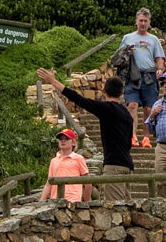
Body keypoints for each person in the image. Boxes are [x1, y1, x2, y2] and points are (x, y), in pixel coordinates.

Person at [36, 69, 134, 201]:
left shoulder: (105, 109)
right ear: (122, 92)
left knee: (115, 208)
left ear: (103, 90)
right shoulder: (127, 114)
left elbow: (78, 99)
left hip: (113, 165)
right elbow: (129, 143)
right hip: (127, 165)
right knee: (128, 206)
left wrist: (53, 81)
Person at [117, 8, 165, 146]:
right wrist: (127, 52)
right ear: (136, 22)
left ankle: (146, 137)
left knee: (148, 108)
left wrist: (160, 69)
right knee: (132, 105)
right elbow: (118, 57)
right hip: (132, 76)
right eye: (141, 21)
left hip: (149, 76)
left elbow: (159, 57)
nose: (143, 23)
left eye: (145, 21)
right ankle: (132, 136)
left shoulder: (154, 39)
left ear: (149, 23)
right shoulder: (127, 38)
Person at [40, 128, 91, 203]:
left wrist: (87, 202)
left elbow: (87, 182)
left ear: (73, 142)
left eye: (66, 139)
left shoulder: (79, 159)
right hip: (55, 201)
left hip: (73, 201)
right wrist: (41, 202)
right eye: (60, 139)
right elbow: (49, 183)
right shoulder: (54, 161)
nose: (63, 141)